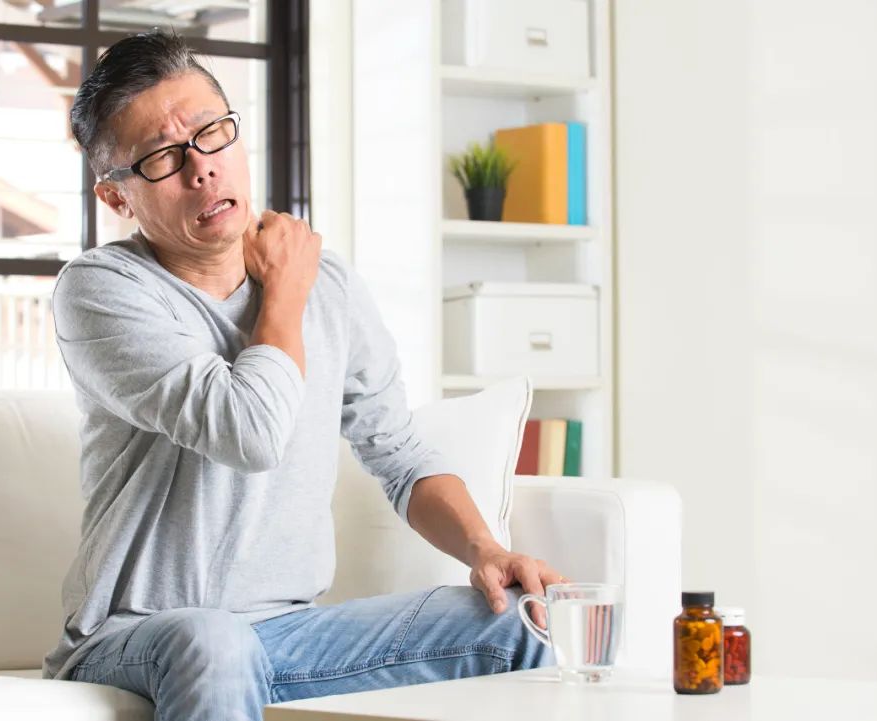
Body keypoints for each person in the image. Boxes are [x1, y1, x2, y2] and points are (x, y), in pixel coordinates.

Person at [43, 29, 564, 721]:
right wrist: (285, 292)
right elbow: (250, 432)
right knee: (214, 641)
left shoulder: (330, 283)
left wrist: (487, 549)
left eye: (211, 134)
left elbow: (398, 451)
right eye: (163, 157)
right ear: (117, 198)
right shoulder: (101, 290)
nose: (202, 170)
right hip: (136, 636)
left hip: (290, 632)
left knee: (524, 618)